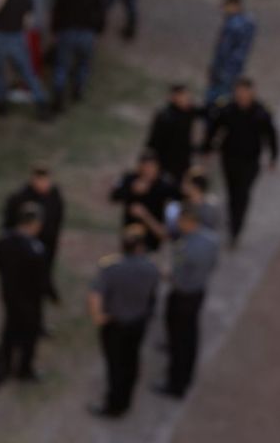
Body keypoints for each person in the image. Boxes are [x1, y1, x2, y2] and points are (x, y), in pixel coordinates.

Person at [88, 225, 161, 418]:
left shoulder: (111, 267)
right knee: (131, 360)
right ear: (140, 247)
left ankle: (114, 405)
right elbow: (152, 295)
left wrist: (98, 316)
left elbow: (95, 295)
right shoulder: (151, 268)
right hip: (138, 323)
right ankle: (126, 399)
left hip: (115, 324)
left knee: (115, 365)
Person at [202, 77, 280, 246]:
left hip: (250, 162)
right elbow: (215, 128)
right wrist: (207, 149)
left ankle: (235, 229)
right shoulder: (227, 109)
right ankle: (232, 219)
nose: (242, 95)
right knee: (232, 192)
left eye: (245, 92)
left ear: (252, 92)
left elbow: (271, 135)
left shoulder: (261, 112)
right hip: (229, 158)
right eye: (239, 92)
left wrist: (274, 157)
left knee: (242, 194)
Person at [155, 205, 219, 399]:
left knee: (179, 340)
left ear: (189, 222)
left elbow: (176, 276)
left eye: (180, 222)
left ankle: (176, 384)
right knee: (190, 335)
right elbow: (213, 264)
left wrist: (165, 273)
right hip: (198, 292)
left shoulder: (185, 248)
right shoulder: (212, 239)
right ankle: (187, 374)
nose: (178, 225)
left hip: (183, 296)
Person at [0, 205, 48, 380]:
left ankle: (5, 365)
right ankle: (24, 370)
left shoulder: (4, 240)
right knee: (29, 333)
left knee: (10, 328)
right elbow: (40, 278)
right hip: (29, 299)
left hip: (9, 294)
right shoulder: (34, 248)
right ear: (33, 224)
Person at [2, 165, 65, 302]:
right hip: (24, 248)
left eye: (46, 180)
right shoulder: (20, 197)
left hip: (48, 242)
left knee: (45, 268)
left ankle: (46, 289)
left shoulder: (54, 194)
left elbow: (58, 215)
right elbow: (8, 225)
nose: (44, 184)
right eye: (40, 180)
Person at [49, 0, 104, 110]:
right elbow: (100, 13)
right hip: (87, 33)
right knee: (83, 64)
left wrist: (55, 30)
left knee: (61, 65)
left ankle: (59, 95)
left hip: (67, 33)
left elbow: (57, 13)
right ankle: (78, 90)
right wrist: (98, 30)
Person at [109, 151, 178, 252]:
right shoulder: (130, 179)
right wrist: (131, 189)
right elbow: (114, 196)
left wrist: (144, 214)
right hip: (130, 235)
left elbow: (178, 198)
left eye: (151, 167)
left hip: (153, 238)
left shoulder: (164, 184)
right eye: (145, 167)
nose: (148, 171)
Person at [205, 0, 256, 111]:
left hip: (226, 70)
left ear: (235, 6)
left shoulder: (235, 24)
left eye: (226, 6)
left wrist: (220, 69)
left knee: (219, 100)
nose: (224, 10)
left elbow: (227, 50)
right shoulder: (242, 23)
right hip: (228, 70)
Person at [147, 85, 200, 185]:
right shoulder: (165, 115)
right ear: (174, 97)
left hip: (184, 160)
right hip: (165, 159)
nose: (186, 99)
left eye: (187, 96)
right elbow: (154, 140)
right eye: (183, 96)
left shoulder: (189, 112)